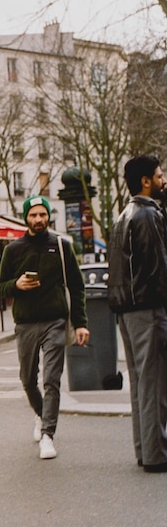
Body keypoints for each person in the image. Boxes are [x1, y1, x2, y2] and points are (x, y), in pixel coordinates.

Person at [0, 194, 89, 460]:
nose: (38, 219)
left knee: (52, 380)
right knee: (27, 379)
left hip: (55, 321)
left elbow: (77, 286)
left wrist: (80, 323)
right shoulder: (13, 250)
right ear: (26, 217)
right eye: (34, 215)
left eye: (43, 214)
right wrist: (16, 285)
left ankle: (48, 434)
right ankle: (40, 414)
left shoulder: (61, 245)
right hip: (24, 323)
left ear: (49, 216)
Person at [107, 155, 167, 472]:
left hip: (128, 309)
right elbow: (160, 267)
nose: (164, 180)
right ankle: (157, 454)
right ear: (146, 180)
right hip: (148, 306)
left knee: (142, 383)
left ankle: (146, 450)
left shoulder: (124, 215)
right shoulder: (147, 215)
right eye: (159, 175)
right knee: (154, 383)